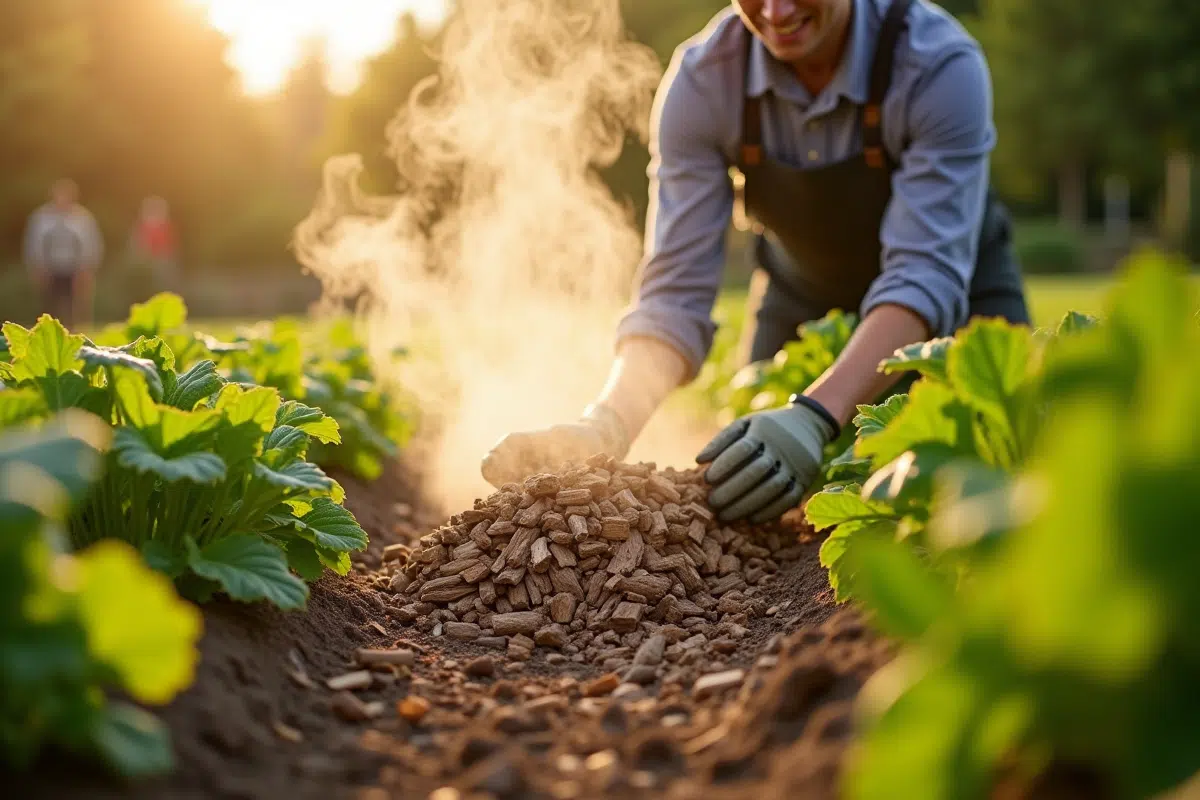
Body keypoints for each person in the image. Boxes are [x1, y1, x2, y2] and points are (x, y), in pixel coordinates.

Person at [480, 0, 1029, 524]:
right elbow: (674, 293)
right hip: (799, 297)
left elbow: (925, 275)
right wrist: (607, 423)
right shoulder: (704, 82)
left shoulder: (936, 64)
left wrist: (814, 417)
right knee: (746, 490)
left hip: (956, 301)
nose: (776, 13)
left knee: (1003, 476)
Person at [22, 178, 104, 328]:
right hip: (50, 269)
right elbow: (34, 244)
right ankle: (47, 335)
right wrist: (37, 268)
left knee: (73, 308)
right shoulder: (41, 217)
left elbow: (91, 245)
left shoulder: (82, 218)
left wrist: (86, 270)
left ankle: (73, 336)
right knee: (48, 307)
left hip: (73, 270)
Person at [129, 195, 180, 293]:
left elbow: (170, 249)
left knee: (162, 287)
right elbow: (137, 245)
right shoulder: (142, 226)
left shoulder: (166, 227)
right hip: (147, 264)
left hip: (161, 263)